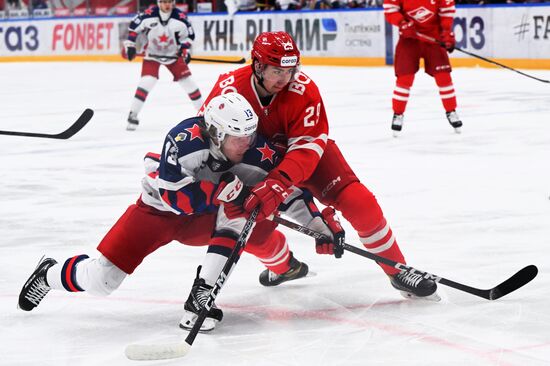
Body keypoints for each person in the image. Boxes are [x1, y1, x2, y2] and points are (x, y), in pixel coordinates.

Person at [18, 93, 339, 332]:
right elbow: (178, 201)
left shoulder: (257, 150)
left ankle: (202, 295)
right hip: (158, 212)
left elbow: (286, 193)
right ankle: (48, 273)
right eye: (237, 137)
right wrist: (222, 192)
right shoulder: (184, 140)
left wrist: (317, 225)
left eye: (249, 135)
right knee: (102, 281)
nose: (246, 144)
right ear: (215, 133)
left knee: (241, 215)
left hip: (207, 216)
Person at [198, 31, 439, 303]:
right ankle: (284, 268)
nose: (285, 78)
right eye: (277, 70)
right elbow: (208, 135)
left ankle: (397, 269)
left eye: (290, 70)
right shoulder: (229, 87)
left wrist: (281, 188)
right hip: (252, 163)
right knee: (253, 234)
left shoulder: (304, 89)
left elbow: (307, 149)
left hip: (306, 159)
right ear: (258, 65)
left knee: (360, 202)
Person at [383, 0, 463, 136]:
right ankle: (398, 114)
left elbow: (446, 12)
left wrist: (446, 32)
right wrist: (402, 23)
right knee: (404, 79)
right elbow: (390, 9)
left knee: (444, 77)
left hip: (433, 38)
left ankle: (451, 111)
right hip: (409, 39)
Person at [123, 0, 203, 131]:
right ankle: (133, 114)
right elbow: (133, 29)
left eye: (169, 2)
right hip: (152, 55)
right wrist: (130, 45)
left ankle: (203, 114)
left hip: (173, 55)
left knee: (189, 83)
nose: (167, 5)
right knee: (147, 81)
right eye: (164, 1)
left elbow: (188, 37)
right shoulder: (148, 15)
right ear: (159, 3)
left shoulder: (180, 18)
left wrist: (184, 50)